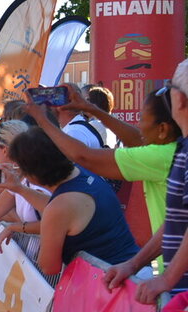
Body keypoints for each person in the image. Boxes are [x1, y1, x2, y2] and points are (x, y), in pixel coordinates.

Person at [27, 84, 179, 234]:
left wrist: (42, 120)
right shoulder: (174, 149)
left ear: (163, 129)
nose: (139, 125)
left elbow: (84, 157)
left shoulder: (160, 157)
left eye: (142, 119)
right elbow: (137, 139)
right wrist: (90, 108)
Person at [8, 127, 138, 276]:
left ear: (32, 173)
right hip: (130, 274)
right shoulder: (81, 173)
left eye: (19, 167)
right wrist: (20, 189)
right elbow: (59, 207)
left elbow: (49, 267)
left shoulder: (59, 207)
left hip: (114, 285)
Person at [106, 72, 188, 302]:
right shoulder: (181, 149)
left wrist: (167, 278)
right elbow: (175, 223)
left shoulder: (177, 152)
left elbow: (83, 156)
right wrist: (133, 265)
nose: (139, 124)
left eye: (169, 89)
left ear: (180, 100)